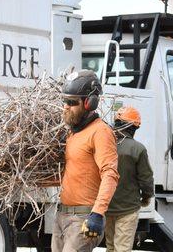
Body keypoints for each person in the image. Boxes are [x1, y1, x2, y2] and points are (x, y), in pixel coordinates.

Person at [52, 70, 119, 252]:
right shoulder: (72, 134)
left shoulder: (101, 132)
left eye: (72, 102)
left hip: (83, 220)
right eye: (65, 101)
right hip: (62, 216)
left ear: (89, 103)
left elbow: (110, 175)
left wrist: (97, 213)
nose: (66, 106)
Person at [104, 106, 154, 252]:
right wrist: (146, 197)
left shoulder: (106, 145)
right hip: (128, 209)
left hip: (107, 207)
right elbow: (146, 179)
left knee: (111, 246)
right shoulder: (138, 149)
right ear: (134, 127)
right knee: (123, 248)